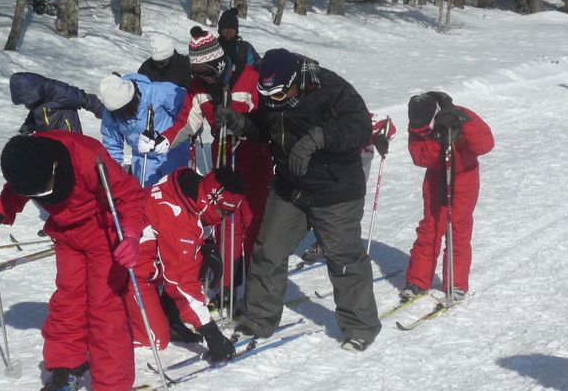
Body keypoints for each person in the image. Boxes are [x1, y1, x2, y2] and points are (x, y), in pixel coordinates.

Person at [218, 48, 381, 352]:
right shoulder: (273, 94)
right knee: (268, 251)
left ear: (297, 80)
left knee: (343, 259)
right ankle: (257, 318)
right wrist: (240, 123)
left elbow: (360, 127)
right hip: (291, 187)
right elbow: (266, 127)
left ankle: (360, 326)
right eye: (270, 96)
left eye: (280, 94)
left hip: (335, 190)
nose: (275, 101)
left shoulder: (331, 89)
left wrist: (318, 138)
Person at [0, 131, 145, 391]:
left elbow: (130, 195)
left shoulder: (88, 157)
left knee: (105, 304)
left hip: (102, 233)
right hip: (67, 236)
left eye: (40, 194)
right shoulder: (29, 156)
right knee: (68, 300)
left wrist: (130, 235)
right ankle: (66, 370)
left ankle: (112, 384)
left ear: (55, 169)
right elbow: (15, 190)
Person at [146, 27, 274, 308]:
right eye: (197, 72)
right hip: (222, 157)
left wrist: (244, 127)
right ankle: (227, 288)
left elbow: (267, 124)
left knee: (253, 224)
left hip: (252, 157)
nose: (201, 78)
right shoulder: (198, 88)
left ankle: (255, 290)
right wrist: (163, 141)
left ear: (218, 63)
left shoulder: (249, 79)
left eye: (205, 71)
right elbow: (187, 123)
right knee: (225, 223)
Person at [127, 167, 247, 361]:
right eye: (223, 212)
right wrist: (212, 334)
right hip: (127, 272)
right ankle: (104, 332)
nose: (223, 218)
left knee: (192, 258)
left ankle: (168, 313)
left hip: (147, 265)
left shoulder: (191, 189)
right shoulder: (177, 216)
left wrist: (208, 245)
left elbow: (197, 221)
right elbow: (182, 282)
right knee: (156, 339)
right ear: (212, 199)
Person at [400, 91, 494, 304]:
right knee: (430, 228)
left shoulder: (461, 114)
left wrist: (464, 124)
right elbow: (421, 158)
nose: (421, 132)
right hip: (436, 179)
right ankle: (418, 280)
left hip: (464, 179)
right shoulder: (419, 122)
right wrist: (436, 139)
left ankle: (456, 282)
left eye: (426, 128)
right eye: (419, 130)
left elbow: (485, 145)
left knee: (458, 229)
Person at [301, 113, 395, 263]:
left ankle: (348, 245)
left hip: (357, 171)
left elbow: (387, 126)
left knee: (350, 209)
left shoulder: (356, 112)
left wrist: (379, 138)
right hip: (331, 167)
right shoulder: (322, 115)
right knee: (326, 205)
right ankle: (324, 242)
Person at [98, 72, 187, 187]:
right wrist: (112, 174)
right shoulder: (111, 115)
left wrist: (186, 132)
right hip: (143, 158)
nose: (124, 113)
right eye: (119, 111)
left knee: (175, 191)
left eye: (125, 108)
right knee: (146, 197)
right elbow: (112, 144)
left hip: (172, 151)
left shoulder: (155, 92)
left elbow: (185, 109)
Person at [9, 72, 103, 134]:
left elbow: (87, 99)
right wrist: (28, 126)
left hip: (68, 137)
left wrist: (107, 116)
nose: (28, 104)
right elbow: (36, 111)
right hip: (46, 139)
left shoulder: (60, 91)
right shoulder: (32, 98)